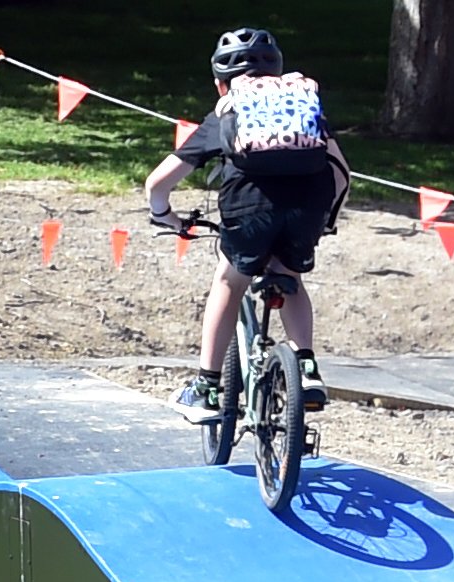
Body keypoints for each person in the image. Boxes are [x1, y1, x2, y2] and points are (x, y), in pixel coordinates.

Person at [142, 27, 352, 420]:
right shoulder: (304, 107)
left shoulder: (227, 111)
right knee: (290, 278)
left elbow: (158, 183)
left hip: (248, 209)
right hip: (308, 204)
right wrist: (325, 220)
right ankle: (306, 368)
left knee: (228, 281)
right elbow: (341, 172)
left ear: (221, 84)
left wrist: (164, 216)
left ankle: (206, 389)